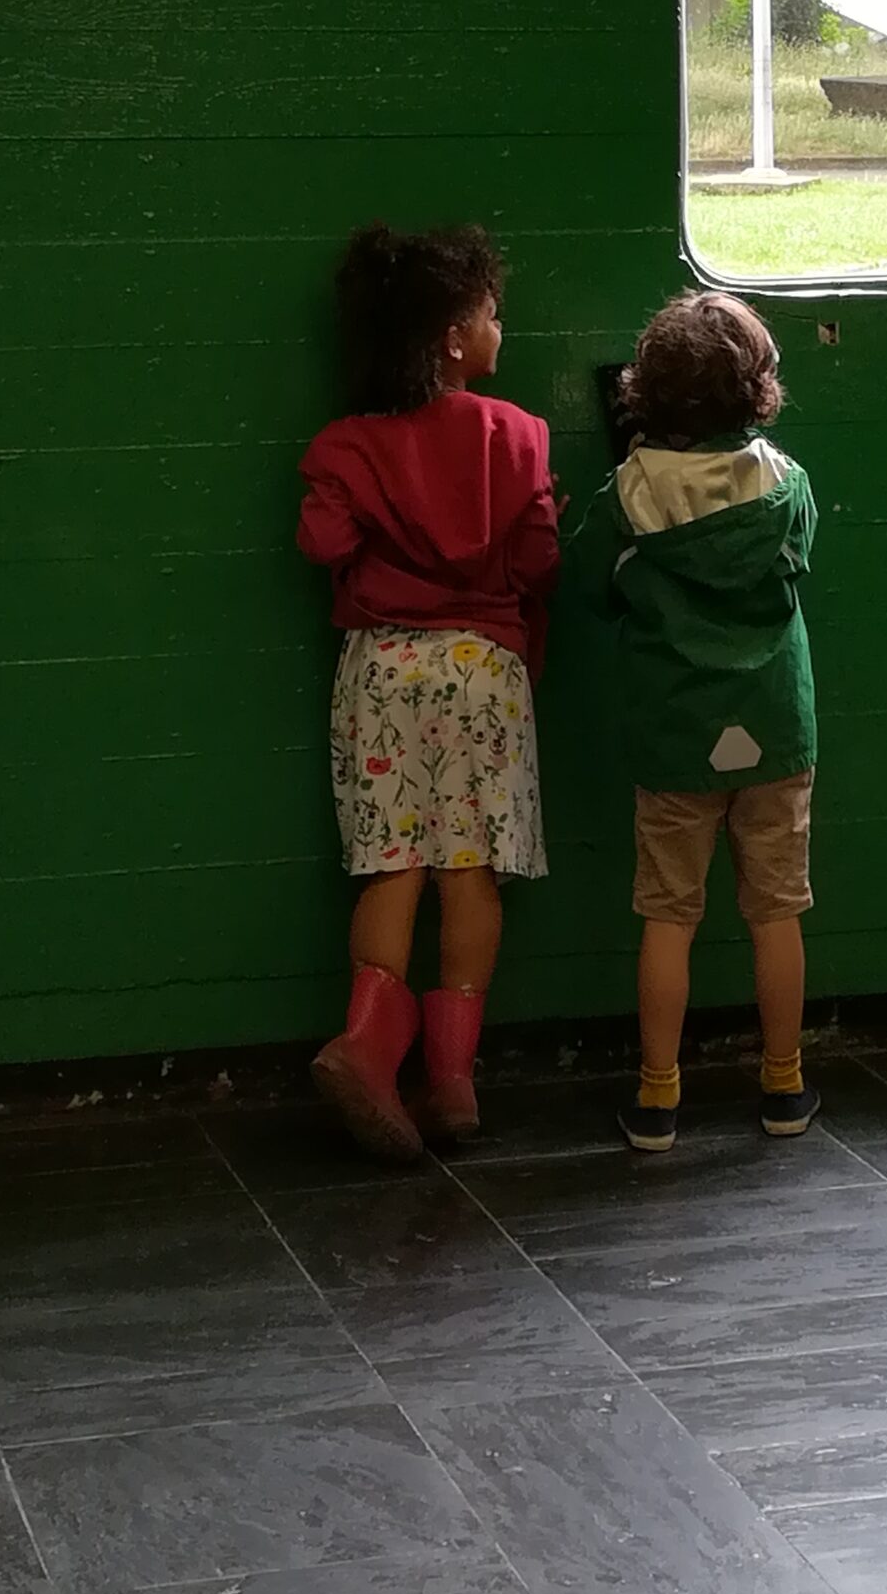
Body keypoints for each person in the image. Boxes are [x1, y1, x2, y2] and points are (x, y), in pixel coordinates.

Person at [297, 224, 558, 1157]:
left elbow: (323, 545)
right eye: (490, 313)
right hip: (482, 675)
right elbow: (538, 562)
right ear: (454, 338)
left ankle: (368, 1047)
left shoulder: (345, 446)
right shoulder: (518, 436)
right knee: (469, 870)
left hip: (384, 671)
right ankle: (452, 1081)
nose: (499, 327)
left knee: (393, 862)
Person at [573, 292, 821, 1150]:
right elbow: (800, 558)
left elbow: (593, 586)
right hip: (775, 729)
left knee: (668, 915)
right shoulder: (786, 484)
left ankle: (658, 1099)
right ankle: (784, 1085)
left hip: (674, 732)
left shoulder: (628, 494)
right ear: (757, 390)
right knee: (776, 911)